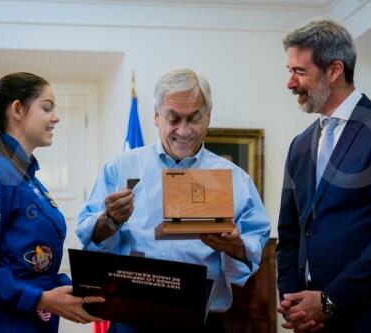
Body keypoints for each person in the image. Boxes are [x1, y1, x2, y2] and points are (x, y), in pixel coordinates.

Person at [76, 67, 271, 332]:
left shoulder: (236, 179)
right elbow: (90, 239)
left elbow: (252, 250)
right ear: (156, 117)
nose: (184, 130)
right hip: (130, 319)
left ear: (208, 117)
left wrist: (235, 246)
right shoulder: (120, 168)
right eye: (174, 119)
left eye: (193, 118)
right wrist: (109, 221)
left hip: (200, 323)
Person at [276, 19, 371, 333]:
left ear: (334, 70)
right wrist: (294, 303)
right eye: (289, 71)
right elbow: (289, 234)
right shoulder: (300, 145)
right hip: (315, 324)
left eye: (299, 72)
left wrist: (330, 301)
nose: (290, 84)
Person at [0, 72, 105, 333]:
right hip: (7, 324)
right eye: (47, 107)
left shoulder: (27, 178)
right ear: (18, 110)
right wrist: (41, 299)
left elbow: (28, 265)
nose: (55, 117)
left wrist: (77, 289)